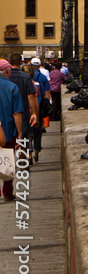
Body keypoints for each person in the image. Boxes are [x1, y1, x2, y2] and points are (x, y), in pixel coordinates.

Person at [7, 54, 38, 164]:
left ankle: (9, 162)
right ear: (20, 62)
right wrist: (34, 113)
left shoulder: (6, 77)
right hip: (23, 111)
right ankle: (23, 161)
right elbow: (31, 97)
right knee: (24, 138)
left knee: (9, 139)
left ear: (10, 62)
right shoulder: (25, 77)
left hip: (8, 112)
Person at [0, 59, 24, 201]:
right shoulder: (12, 87)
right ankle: (7, 192)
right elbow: (16, 113)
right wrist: (20, 133)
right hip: (8, 130)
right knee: (7, 159)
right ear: (8, 71)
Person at [27, 57, 51, 163]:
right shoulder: (43, 78)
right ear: (39, 65)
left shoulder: (25, 80)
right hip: (39, 109)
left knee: (28, 133)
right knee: (37, 132)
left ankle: (29, 154)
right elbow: (47, 93)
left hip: (27, 110)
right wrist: (47, 104)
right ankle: (36, 152)